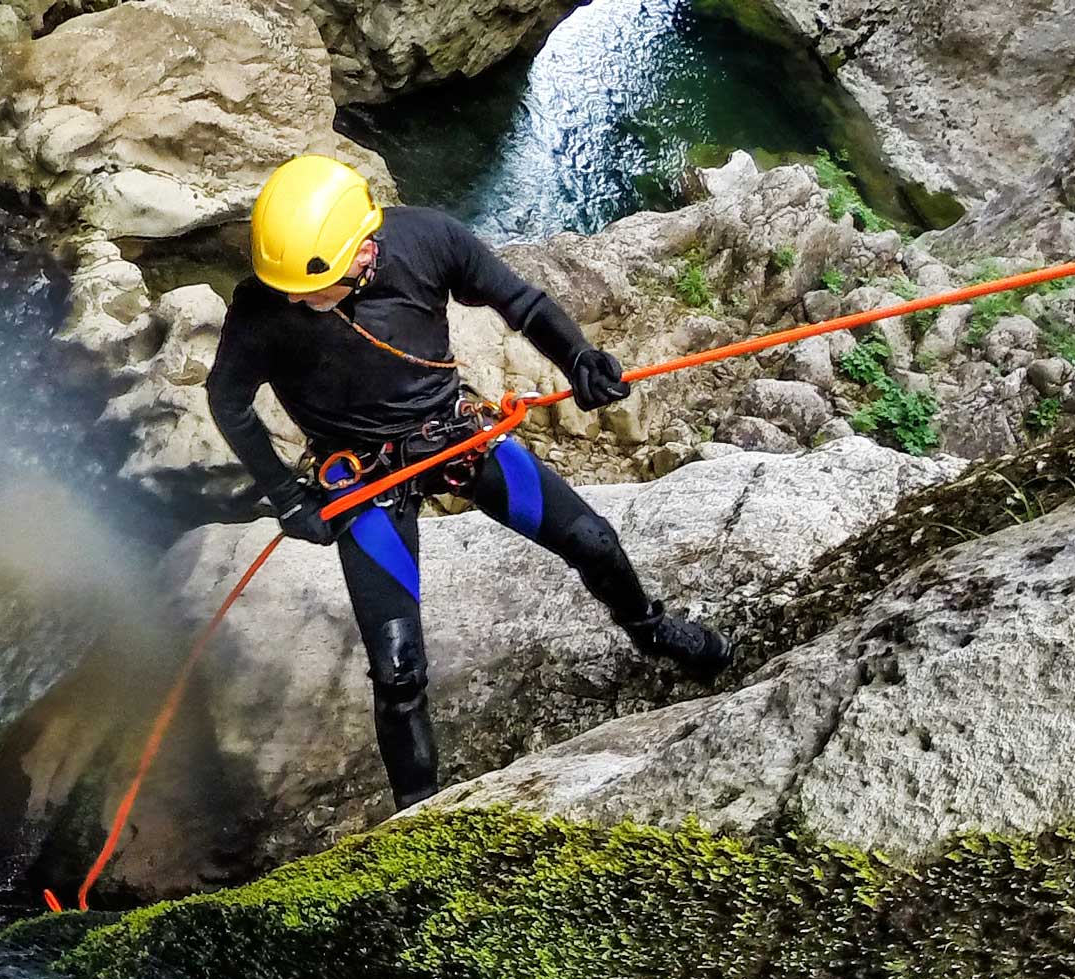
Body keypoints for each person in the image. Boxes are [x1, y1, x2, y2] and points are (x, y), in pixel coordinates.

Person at [205, 154, 734, 810]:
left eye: (313, 288)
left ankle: (650, 629)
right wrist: (286, 496)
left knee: (592, 539)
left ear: (365, 251)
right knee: (399, 672)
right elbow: (226, 399)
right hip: (365, 478)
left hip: (453, 435)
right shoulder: (263, 308)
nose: (293, 300)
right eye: (286, 287)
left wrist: (579, 358)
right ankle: (417, 816)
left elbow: (520, 300)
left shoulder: (427, 239)